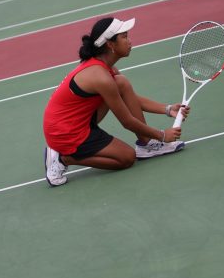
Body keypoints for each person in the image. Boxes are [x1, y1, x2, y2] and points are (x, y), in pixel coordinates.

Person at [42, 17, 190, 186]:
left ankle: (146, 144)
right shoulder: (100, 77)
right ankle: (64, 158)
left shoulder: (106, 69)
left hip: (76, 121)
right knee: (126, 158)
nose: (130, 41)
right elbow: (127, 121)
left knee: (121, 83)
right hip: (66, 132)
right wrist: (162, 135)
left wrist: (167, 109)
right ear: (110, 45)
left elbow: (125, 97)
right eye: (124, 37)